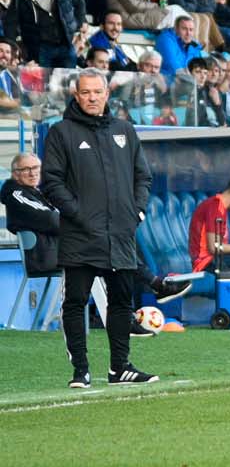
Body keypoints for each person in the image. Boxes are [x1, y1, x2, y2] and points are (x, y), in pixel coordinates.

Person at [39, 70, 158, 388]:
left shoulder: (125, 130)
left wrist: (138, 212)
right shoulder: (61, 132)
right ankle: (81, 370)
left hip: (121, 233)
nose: (92, 97)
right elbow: (50, 181)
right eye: (85, 92)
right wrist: (77, 214)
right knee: (75, 302)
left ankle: (120, 369)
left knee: (121, 302)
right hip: (80, 234)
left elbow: (142, 176)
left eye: (97, 91)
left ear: (107, 94)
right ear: (75, 96)